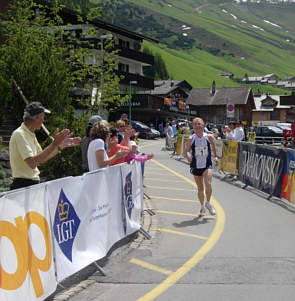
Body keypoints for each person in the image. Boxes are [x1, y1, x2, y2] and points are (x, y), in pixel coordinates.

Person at [9, 102, 81, 190]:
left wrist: (60, 146)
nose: (43, 120)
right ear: (36, 118)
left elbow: (41, 159)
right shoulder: (20, 134)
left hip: (28, 184)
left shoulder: (29, 133)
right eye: (43, 116)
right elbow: (32, 163)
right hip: (23, 185)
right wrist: (54, 144)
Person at [184, 117, 218, 217]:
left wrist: (215, 157)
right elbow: (186, 151)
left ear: (203, 125)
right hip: (196, 165)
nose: (197, 126)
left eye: (199, 124)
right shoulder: (191, 139)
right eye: (195, 124)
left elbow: (214, 148)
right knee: (200, 188)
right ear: (193, 126)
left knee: (208, 183)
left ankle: (208, 202)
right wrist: (188, 157)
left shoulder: (209, 137)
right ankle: (202, 206)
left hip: (207, 164)